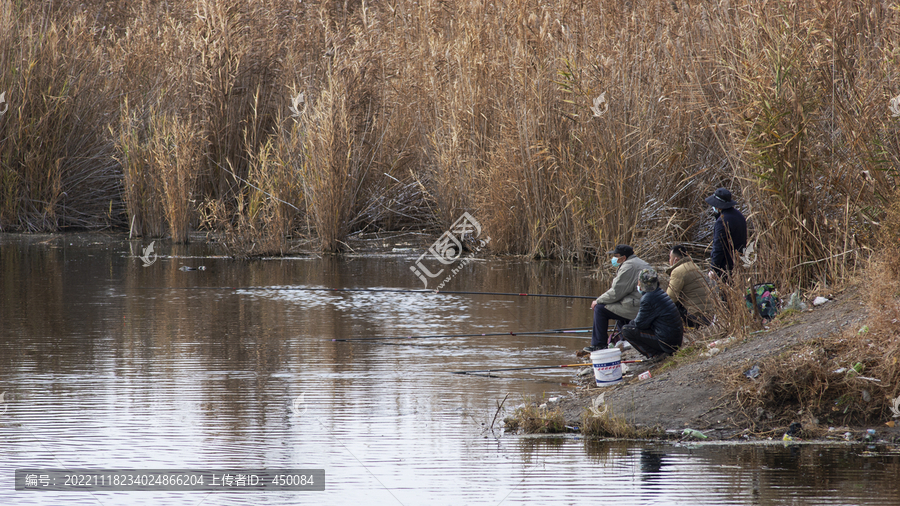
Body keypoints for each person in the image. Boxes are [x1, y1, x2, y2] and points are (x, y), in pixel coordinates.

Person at [583, 244, 650, 353]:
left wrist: (598, 301)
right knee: (616, 305)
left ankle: (599, 345)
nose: (613, 258)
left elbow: (615, 293)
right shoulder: (639, 262)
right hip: (642, 304)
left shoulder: (628, 266)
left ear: (623, 258)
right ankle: (625, 339)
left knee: (600, 309)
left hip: (638, 308)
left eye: (616, 256)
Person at [621, 268, 684, 362]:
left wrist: (631, 323)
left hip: (667, 343)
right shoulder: (659, 292)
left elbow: (640, 324)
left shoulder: (648, 298)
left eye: (639, 282)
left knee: (627, 330)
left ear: (641, 284)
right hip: (675, 341)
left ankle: (656, 354)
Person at [666, 244, 715, 327]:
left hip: (694, 316)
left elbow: (670, 298)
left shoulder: (678, 271)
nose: (669, 261)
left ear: (676, 260)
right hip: (709, 315)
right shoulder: (695, 266)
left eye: (670, 258)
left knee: (666, 306)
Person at [705, 187, 747, 280]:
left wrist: (714, 268)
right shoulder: (738, 215)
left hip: (726, 265)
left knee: (724, 292)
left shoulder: (722, 220)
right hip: (739, 261)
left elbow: (719, 246)